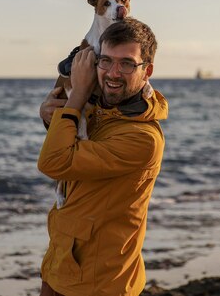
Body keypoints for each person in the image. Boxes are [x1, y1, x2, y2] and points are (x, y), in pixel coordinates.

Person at [37, 18, 168, 296]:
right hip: (61, 267)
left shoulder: (142, 138)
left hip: (100, 282)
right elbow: (72, 151)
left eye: (127, 64)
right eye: (106, 61)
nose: (113, 73)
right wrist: (52, 116)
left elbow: (54, 162)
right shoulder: (98, 112)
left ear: (147, 71)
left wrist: (76, 98)